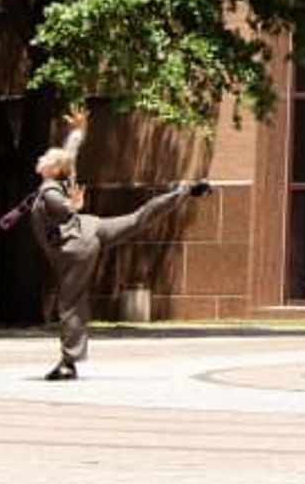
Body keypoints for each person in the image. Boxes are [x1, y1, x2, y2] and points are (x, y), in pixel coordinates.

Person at [25, 107, 208, 381]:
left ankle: (68, 363)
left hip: (76, 247)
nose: (40, 158)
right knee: (137, 219)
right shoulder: (64, 177)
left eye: (45, 158)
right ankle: (185, 192)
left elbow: (62, 207)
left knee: (70, 303)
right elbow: (70, 154)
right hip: (94, 228)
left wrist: (71, 206)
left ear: (51, 168)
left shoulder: (49, 189)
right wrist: (77, 131)